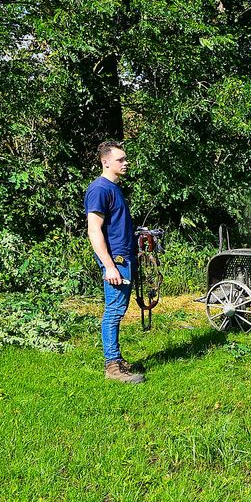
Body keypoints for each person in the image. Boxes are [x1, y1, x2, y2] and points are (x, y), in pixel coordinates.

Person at [85, 140, 143, 384]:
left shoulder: (114, 188)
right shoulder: (99, 189)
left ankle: (116, 359)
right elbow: (94, 230)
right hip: (116, 260)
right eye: (120, 159)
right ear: (105, 162)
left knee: (118, 309)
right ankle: (112, 366)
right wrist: (109, 266)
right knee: (114, 311)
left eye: (125, 159)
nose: (125, 163)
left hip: (125, 257)